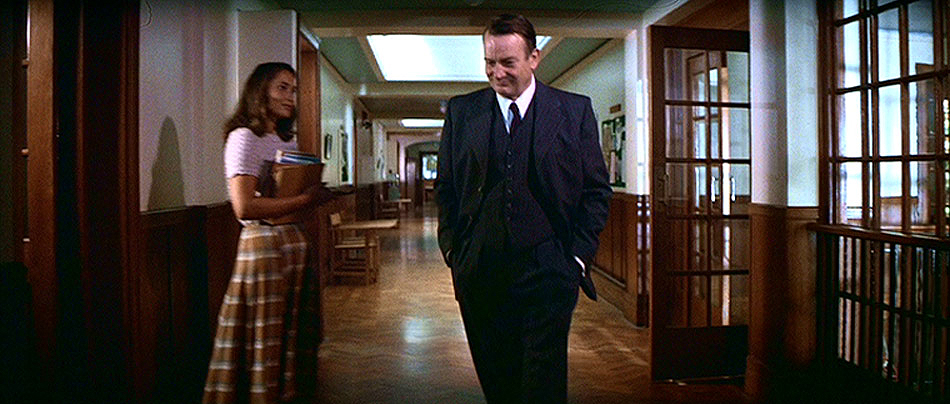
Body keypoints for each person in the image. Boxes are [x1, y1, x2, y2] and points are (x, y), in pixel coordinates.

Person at [435, 14, 611, 404]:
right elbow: (446, 188)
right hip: (479, 270)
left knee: (542, 385)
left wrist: (577, 258)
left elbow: (596, 191)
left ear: (534, 58)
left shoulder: (574, 111)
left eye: (507, 62)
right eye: (489, 62)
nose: (496, 73)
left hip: (550, 270)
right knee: (498, 383)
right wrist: (453, 251)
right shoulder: (463, 113)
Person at [203, 62, 329, 404]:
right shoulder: (244, 137)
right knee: (264, 337)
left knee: (287, 337)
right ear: (261, 92)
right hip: (264, 246)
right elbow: (244, 207)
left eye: (294, 90)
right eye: (282, 88)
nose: (291, 97)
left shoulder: (286, 140)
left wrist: (309, 196)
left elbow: (285, 197)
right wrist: (306, 199)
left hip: (292, 244)